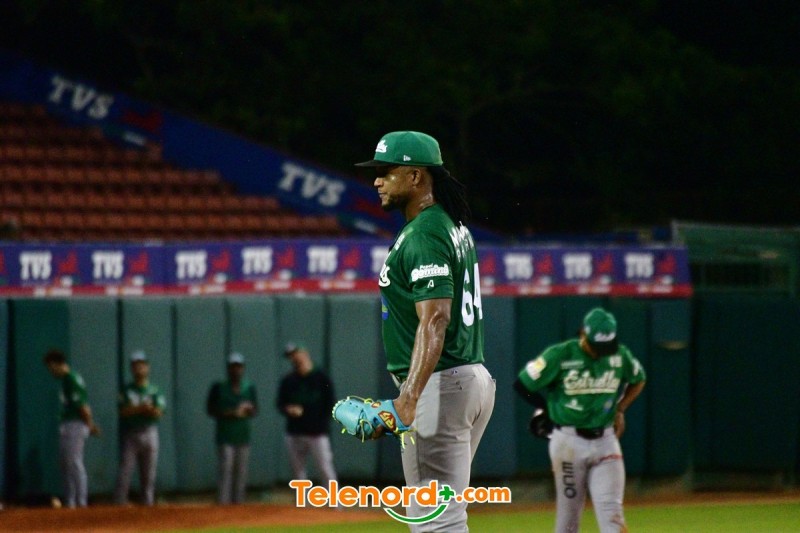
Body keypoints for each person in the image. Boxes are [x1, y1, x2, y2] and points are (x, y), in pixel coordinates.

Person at [355, 131, 496, 532]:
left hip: (441, 385)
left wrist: (409, 397)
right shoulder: (450, 226)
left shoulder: (425, 233)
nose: (377, 181)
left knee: (435, 522)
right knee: (443, 516)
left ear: (416, 176)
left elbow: (435, 319)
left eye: (386, 172)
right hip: (467, 380)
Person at [514, 307, 646, 533]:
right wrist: (547, 409)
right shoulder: (560, 354)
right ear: (584, 333)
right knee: (568, 521)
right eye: (597, 346)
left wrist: (621, 408)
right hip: (568, 443)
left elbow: (638, 379)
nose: (601, 352)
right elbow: (522, 384)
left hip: (606, 440)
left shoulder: (619, 355)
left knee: (613, 515)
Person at [43, 348, 100, 509]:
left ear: (56, 364)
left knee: (74, 463)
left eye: (51, 367)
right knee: (65, 463)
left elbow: (83, 406)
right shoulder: (67, 379)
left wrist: (89, 424)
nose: (51, 371)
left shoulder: (71, 379)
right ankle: (70, 502)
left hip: (75, 424)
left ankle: (80, 502)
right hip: (69, 424)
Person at [276, 343, 337, 484]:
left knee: (325, 469)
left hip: (317, 432)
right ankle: (302, 498)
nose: (293, 358)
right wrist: (288, 409)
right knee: (298, 473)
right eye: (291, 356)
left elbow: (331, 402)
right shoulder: (288, 380)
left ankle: (334, 498)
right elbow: (280, 404)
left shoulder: (321, 378)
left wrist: (318, 420)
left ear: (305, 353)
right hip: (295, 432)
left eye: (295, 354)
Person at [114, 350, 165, 506]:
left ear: (147, 367)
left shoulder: (155, 389)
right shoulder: (126, 390)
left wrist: (148, 410)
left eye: (141, 365)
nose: (139, 368)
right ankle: (119, 504)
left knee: (149, 475)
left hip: (150, 431)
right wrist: (141, 408)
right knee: (125, 471)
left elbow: (159, 412)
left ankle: (147, 505)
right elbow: (122, 411)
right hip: (132, 432)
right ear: (131, 368)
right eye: (135, 365)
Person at [206, 352, 258, 504]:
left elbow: (256, 410)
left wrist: (249, 409)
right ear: (228, 368)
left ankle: (238, 506)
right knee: (226, 471)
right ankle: (223, 504)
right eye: (233, 366)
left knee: (241, 472)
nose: (236, 370)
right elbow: (211, 410)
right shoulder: (218, 387)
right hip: (225, 435)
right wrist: (233, 412)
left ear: (243, 368)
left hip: (243, 435)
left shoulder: (249, 387)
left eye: (239, 366)